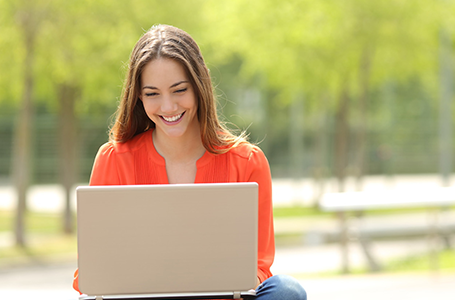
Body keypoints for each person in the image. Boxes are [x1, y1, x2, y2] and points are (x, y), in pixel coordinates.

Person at [72, 24, 306, 300]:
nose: (168, 107)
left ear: (199, 86)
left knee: (286, 291)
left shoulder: (247, 162)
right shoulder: (114, 160)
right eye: (152, 94)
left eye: (179, 90)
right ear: (138, 96)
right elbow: (93, 270)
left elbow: (259, 266)